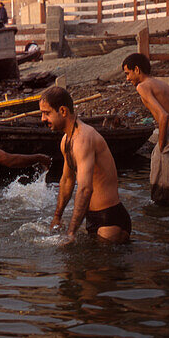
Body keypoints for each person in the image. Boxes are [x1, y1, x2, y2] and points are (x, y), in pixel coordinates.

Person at [40, 86, 131, 243]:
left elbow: (85, 189)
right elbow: (67, 181)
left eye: (46, 113)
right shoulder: (66, 140)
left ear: (62, 111)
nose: (42, 119)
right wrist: (57, 217)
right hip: (92, 217)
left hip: (109, 219)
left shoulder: (83, 138)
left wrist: (70, 232)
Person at [122, 52, 169, 205]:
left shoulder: (142, 86)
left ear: (137, 70)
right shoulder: (162, 84)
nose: (127, 79)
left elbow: (163, 116)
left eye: (128, 73)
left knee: (161, 195)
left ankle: (163, 226)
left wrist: (161, 142)